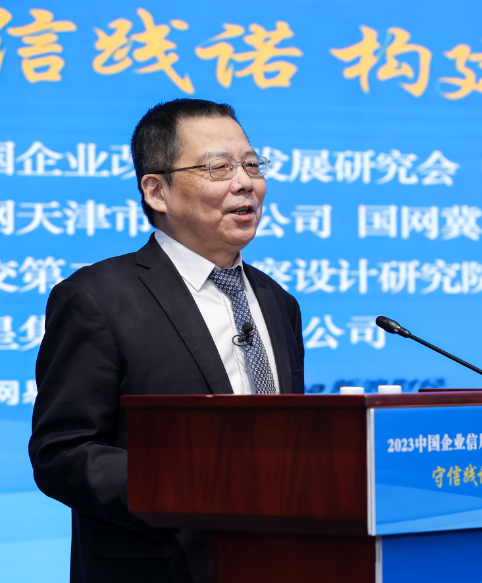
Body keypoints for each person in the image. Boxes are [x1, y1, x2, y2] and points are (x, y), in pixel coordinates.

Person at [28, 99, 305, 583]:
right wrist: (193, 487)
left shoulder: (277, 302)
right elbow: (62, 453)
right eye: (219, 167)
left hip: (275, 562)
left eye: (252, 164)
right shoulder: (97, 298)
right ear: (157, 191)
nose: (246, 182)